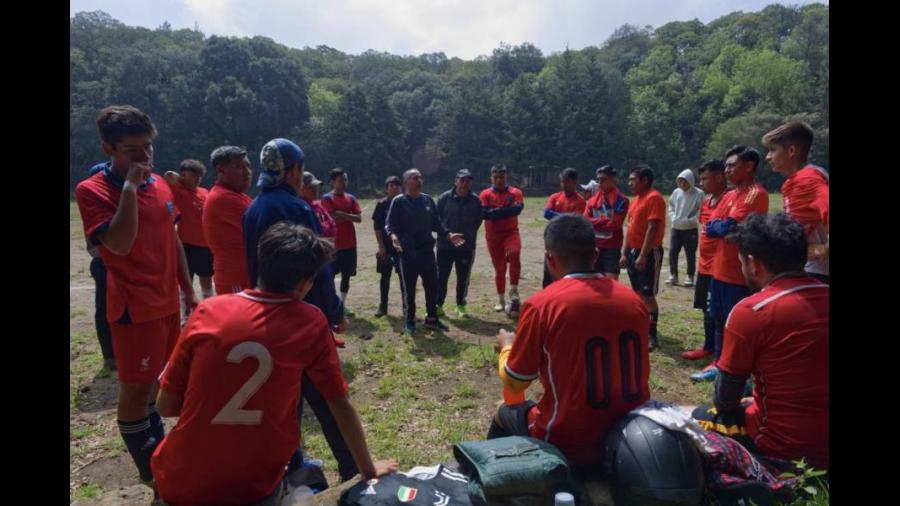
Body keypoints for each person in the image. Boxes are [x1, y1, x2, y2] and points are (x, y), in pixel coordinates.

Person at [151, 222, 399, 504]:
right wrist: (368, 469)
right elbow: (339, 403)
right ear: (306, 282)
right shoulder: (310, 321)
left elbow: (166, 406)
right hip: (253, 486)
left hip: (180, 478)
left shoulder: (209, 310)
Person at [75, 105, 196, 487]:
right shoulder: (92, 191)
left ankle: (159, 456)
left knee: (160, 383)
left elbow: (173, 238)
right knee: (136, 390)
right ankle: (150, 472)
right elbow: (121, 243)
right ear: (108, 149)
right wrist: (128, 187)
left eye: (148, 148)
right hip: (134, 309)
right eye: (132, 150)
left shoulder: (159, 183)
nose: (144, 157)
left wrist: (187, 289)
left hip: (167, 303)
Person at [489, 215, 650, 468]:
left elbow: (515, 381)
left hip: (567, 441)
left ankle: (497, 477)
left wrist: (507, 346)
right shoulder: (634, 301)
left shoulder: (543, 304)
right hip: (632, 438)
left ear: (549, 258)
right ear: (595, 254)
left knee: (503, 410)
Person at [243, 138, 358, 480]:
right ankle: (352, 468)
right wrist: (334, 312)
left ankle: (292, 463)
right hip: (301, 315)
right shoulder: (296, 207)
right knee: (327, 396)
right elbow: (317, 267)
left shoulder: (253, 207)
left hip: (268, 315)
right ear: (294, 171)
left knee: (285, 397)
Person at [691, 213, 828, 471]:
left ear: (753, 264)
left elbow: (725, 399)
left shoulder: (753, 311)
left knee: (699, 417)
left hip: (785, 448)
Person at [691, 146, 769, 382]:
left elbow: (729, 228)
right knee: (718, 317)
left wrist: (723, 227)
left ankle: (736, 368)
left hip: (739, 273)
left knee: (736, 322)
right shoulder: (729, 195)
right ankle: (719, 362)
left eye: (732, 165)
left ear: (749, 166)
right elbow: (712, 226)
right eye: (726, 165)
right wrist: (723, 227)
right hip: (719, 268)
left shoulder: (755, 193)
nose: (727, 170)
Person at [385, 169, 465, 334]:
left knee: (432, 286)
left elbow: (437, 223)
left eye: (420, 177)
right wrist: (394, 237)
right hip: (407, 253)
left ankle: (432, 318)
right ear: (406, 182)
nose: (419, 180)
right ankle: (410, 320)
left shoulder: (427, 200)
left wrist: (449, 235)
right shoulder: (399, 202)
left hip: (426, 252)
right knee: (409, 288)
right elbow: (390, 225)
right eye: (415, 178)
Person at [762, 120, 829, 284]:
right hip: (803, 267)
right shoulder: (794, 180)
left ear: (792, 151)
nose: (768, 157)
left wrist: (825, 249)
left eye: (773, 150)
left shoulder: (809, 179)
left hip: (816, 272)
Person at [681, 160, 727, 368]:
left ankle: (720, 353)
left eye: (705, 178)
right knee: (706, 309)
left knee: (717, 312)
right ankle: (708, 346)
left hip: (720, 267)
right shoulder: (707, 200)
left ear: (719, 177)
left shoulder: (729, 199)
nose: (701, 183)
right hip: (704, 265)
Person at [620, 165, 666, 350]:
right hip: (634, 252)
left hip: (648, 253)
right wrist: (624, 253)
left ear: (645, 180)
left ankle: (651, 335)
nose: (629, 183)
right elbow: (630, 228)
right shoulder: (635, 201)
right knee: (638, 293)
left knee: (647, 296)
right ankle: (641, 327)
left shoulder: (654, 198)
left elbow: (652, 228)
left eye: (633, 179)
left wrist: (643, 255)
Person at [164, 159, 214, 314]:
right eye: (193, 176)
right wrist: (184, 180)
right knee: (186, 285)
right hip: (186, 246)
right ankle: (185, 318)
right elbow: (168, 175)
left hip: (206, 246)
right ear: (184, 175)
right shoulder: (178, 190)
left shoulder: (204, 192)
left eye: (199, 176)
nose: (197, 179)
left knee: (207, 283)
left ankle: (207, 314)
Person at [203, 146, 253, 295]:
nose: (247, 172)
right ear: (221, 170)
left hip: (243, 275)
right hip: (235, 278)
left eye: (248, 166)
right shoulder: (223, 197)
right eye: (239, 167)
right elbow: (266, 222)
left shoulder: (237, 195)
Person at [436, 169, 483, 318]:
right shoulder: (444, 198)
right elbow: (436, 220)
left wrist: (467, 235)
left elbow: (478, 221)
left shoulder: (476, 200)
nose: (465, 184)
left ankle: (460, 305)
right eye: (462, 180)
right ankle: (438, 305)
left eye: (468, 181)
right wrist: (447, 235)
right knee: (441, 277)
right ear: (456, 181)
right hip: (445, 245)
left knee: (463, 278)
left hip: (466, 246)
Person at [479, 164, 525, 316]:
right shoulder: (485, 194)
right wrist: (505, 212)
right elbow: (484, 214)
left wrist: (496, 212)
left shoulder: (515, 192)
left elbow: (517, 209)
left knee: (514, 253)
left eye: (502, 177)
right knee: (500, 268)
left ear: (506, 177)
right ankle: (500, 299)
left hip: (511, 232)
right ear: (491, 178)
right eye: (496, 177)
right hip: (493, 236)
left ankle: (514, 290)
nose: (499, 180)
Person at [321, 168, 362, 315]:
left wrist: (341, 214)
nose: (344, 183)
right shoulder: (327, 198)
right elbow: (330, 219)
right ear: (333, 182)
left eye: (346, 180)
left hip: (350, 244)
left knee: (346, 275)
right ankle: (331, 303)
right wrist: (348, 216)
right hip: (333, 245)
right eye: (341, 180)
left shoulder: (351, 198)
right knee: (330, 275)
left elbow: (358, 219)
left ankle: (342, 305)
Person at [542, 167, 586, 287]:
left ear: (574, 182)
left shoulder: (580, 201)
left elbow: (576, 221)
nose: (564, 185)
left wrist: (559, 216)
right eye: (562, 182)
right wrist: (567, 217)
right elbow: (547, 213)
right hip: (553, 240)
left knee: (564, 274)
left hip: (568, 243)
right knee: (547, 273)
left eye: (567, 182)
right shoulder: (555, 197)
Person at [583, 165, 628, 280]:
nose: (599, 183)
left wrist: (594, 223)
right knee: (593, 282)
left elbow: (615, 224)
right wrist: (604, 221)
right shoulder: (593, 200)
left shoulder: (621, 200)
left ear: (612, 179)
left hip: (612, 248)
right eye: (598, 180)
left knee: (611, 282)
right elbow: (585, 220)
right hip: (594, 246)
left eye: (602, 180)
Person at [372, 176, 403, 318]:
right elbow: (377, 227)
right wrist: (381, 247)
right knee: (385, 277)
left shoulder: (405, 202)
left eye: (397, 185)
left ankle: (407, 306)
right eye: (391, 185)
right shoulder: (382, 204)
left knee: (405, 278)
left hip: (402, 248)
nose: (395, 187)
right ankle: (383, 306)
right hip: (386, 247)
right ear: (386, 189)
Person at [666, 169, 704, 287]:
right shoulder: (676, 192)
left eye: (685, 181)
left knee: (690, 253)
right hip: (676, 228)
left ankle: (690, 275)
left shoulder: (699, 193)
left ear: (690, 181)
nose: (682, 184)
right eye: (680, 181)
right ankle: (673, 275)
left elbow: (701, 210)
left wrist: (690, 220)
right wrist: (673, 217)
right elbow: (671, 206)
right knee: (673, 252)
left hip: (690, 229)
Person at [299, 171, 337, 240]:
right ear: (301, 188)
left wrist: (321, 227)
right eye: (311, 187)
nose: (315, 190)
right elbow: (311, 232)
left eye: (316, 186)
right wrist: (324, 227)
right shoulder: (299, 207)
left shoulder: (318, 205)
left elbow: (333, 225)